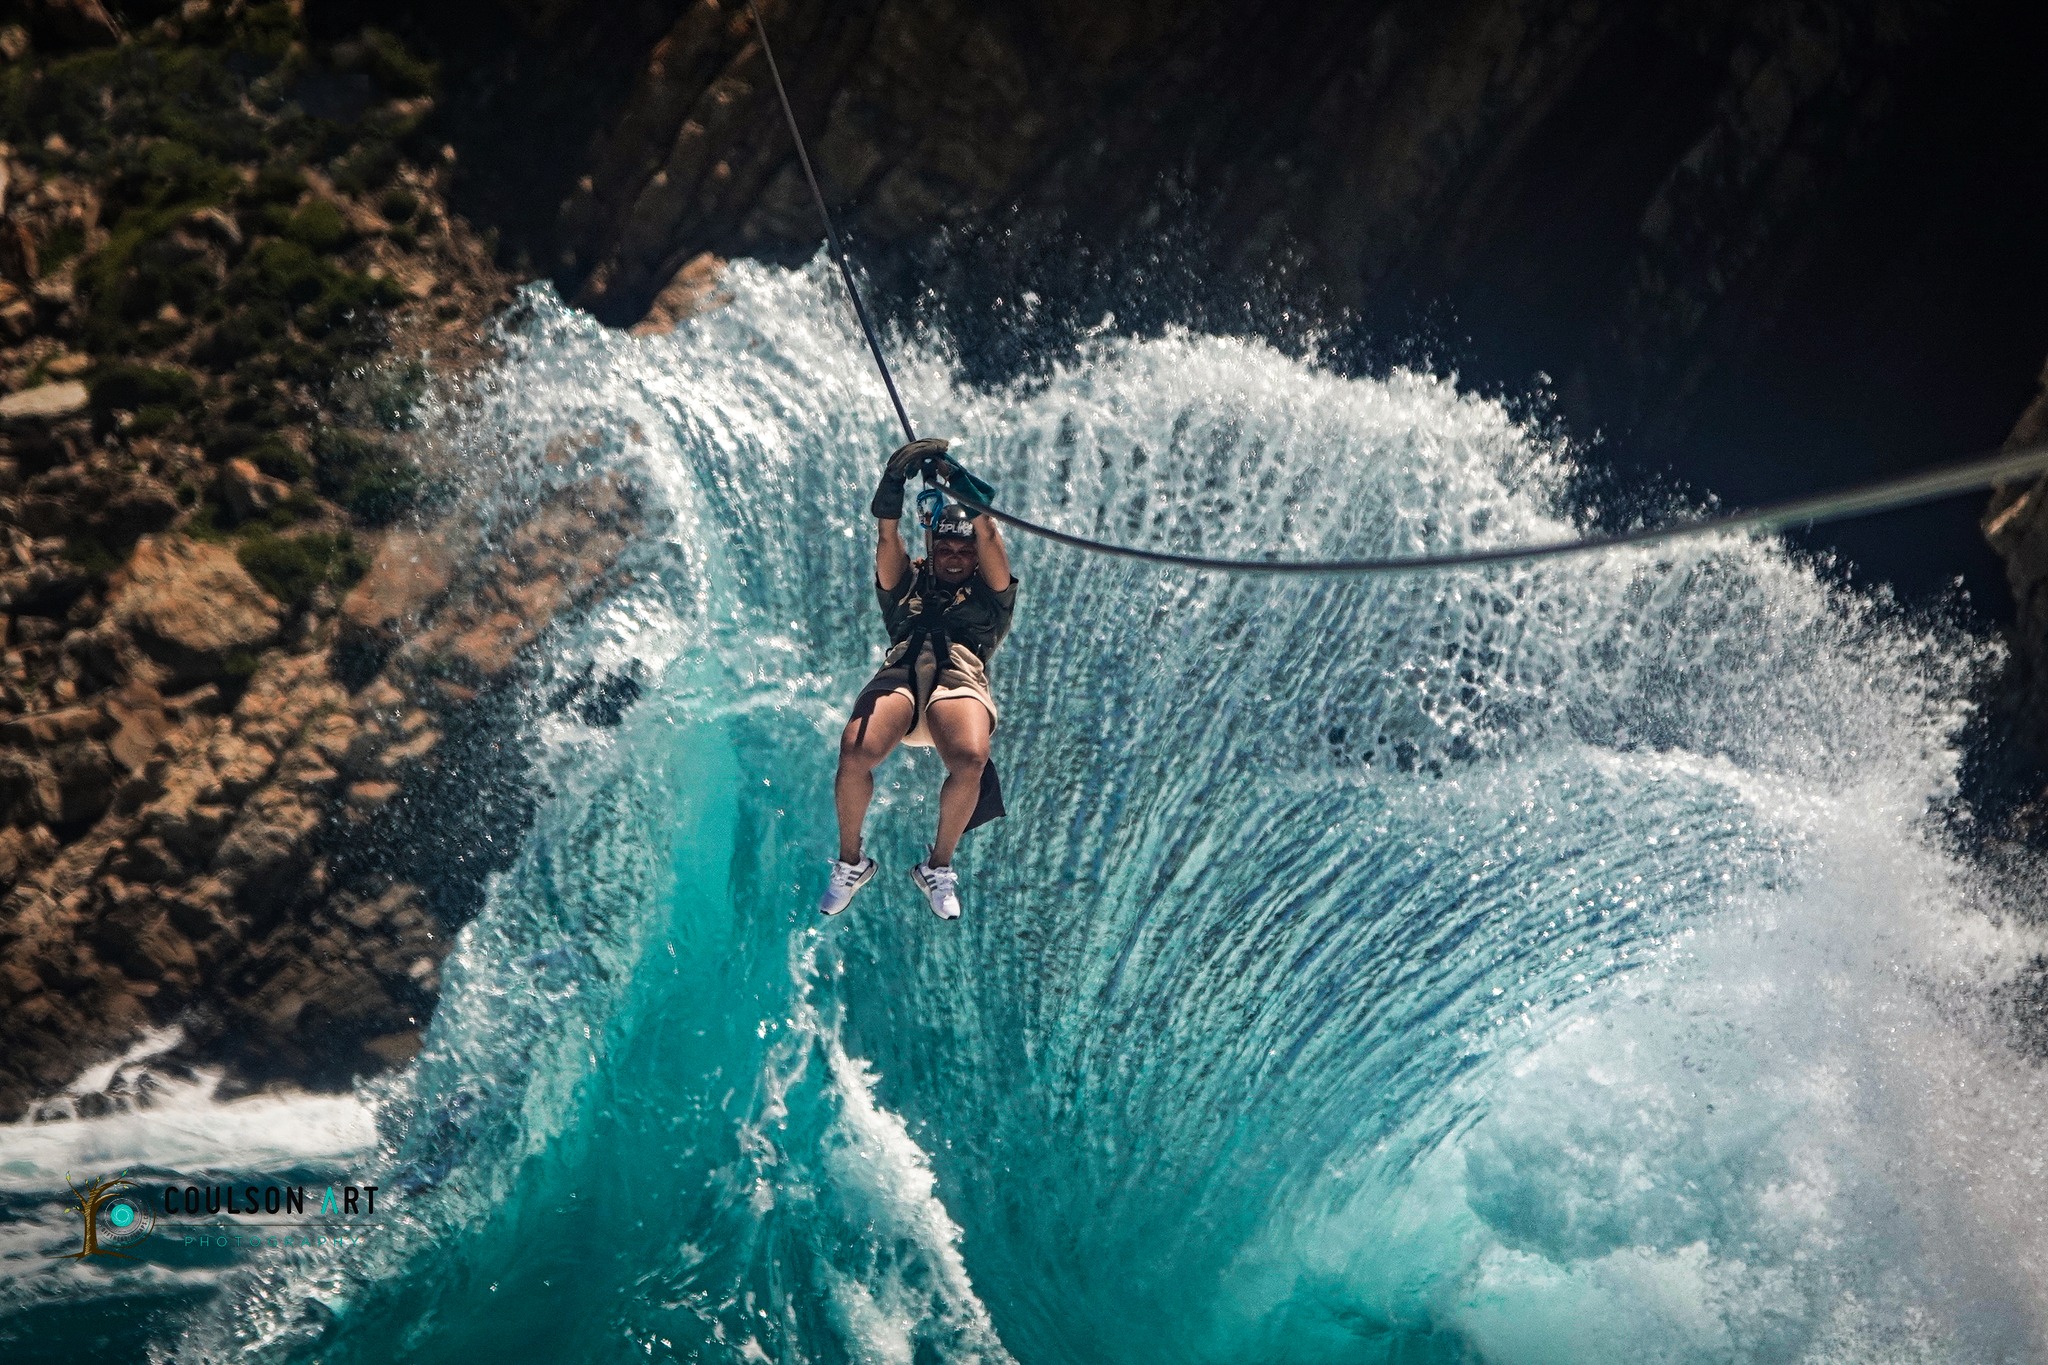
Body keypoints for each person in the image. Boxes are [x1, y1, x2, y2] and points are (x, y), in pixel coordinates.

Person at [820, 438, 1016, 920]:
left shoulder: (992, 596)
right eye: (944, 547)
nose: (952, 556)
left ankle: (938, 868)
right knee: (854, 751)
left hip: (957, 682)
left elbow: (988, 536)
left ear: (972, 559)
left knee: (971, 757)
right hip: (902, 679)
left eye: (961, 550)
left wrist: (956, 481)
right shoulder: (908, 584)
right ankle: (851, 864)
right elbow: (888, 540)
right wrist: (893, 486)